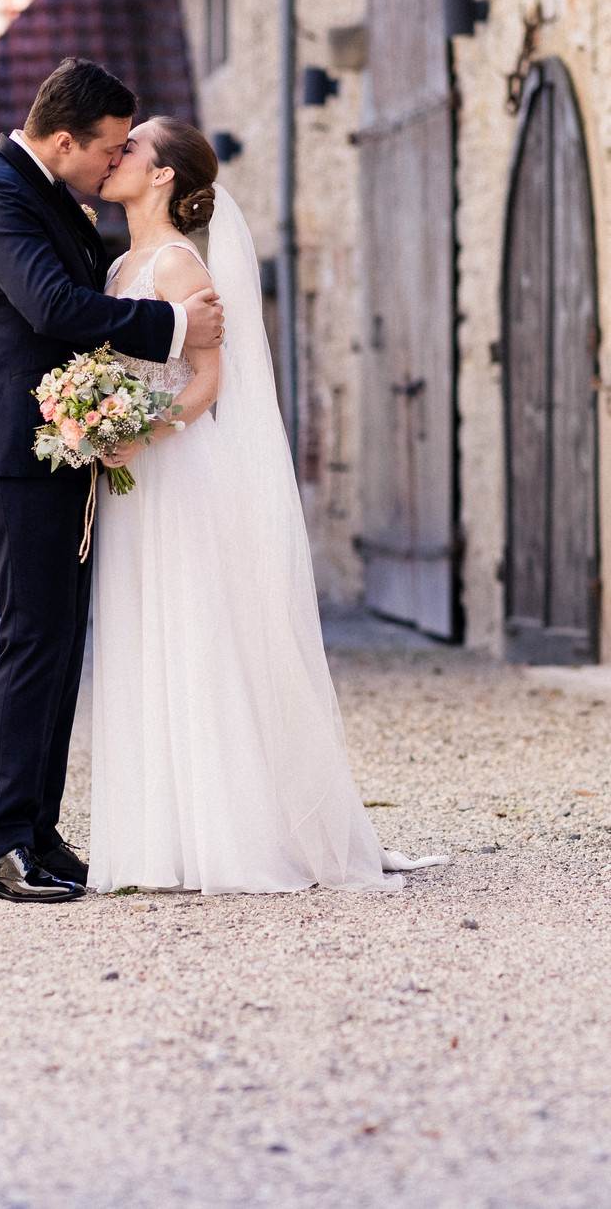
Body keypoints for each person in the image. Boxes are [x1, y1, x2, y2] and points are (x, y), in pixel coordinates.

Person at [89, 117, 447, 894]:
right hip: (129, 483)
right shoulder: (119, 267)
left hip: (174, 471)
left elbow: (209, 382)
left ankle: (229, 837)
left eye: (133, 148)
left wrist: (136, 432)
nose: (115, 155)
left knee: (194, 636)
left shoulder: (180, 267)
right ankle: (158, 842)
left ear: (162, 178)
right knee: (137, 633)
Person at [0, 62, 225, 903]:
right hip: (10, 444)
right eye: (106, 149)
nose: (112, 165)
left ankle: (38, 831)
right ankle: (1, 849)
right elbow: (54, 309)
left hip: (56, 444)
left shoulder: (49, 192)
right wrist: (176, 323)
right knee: (33, 641)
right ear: (64, 140)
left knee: (61, 644)